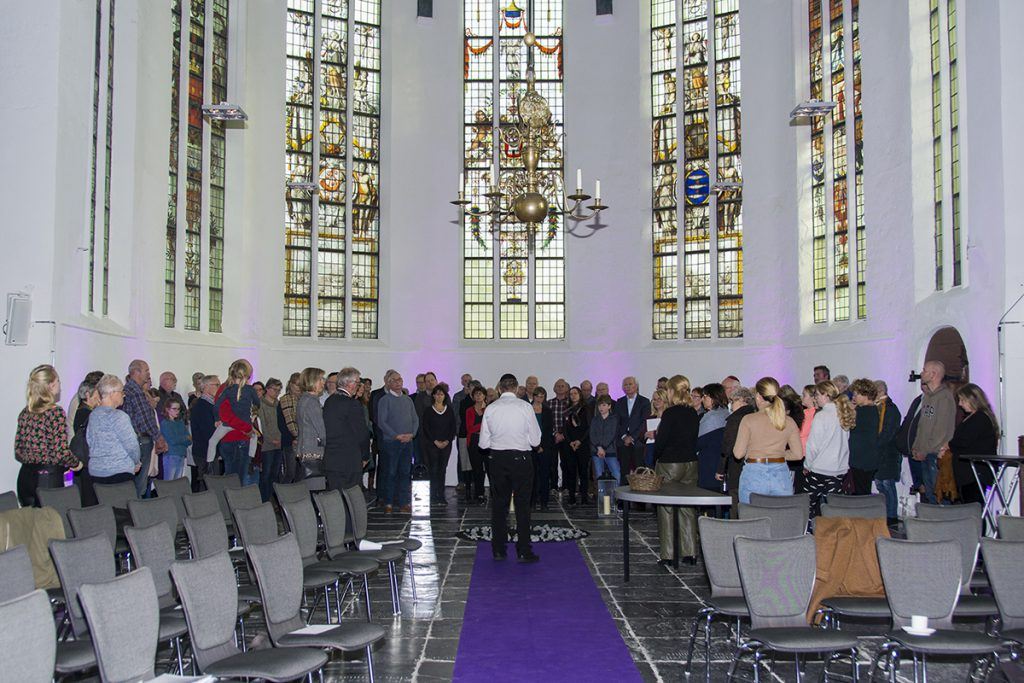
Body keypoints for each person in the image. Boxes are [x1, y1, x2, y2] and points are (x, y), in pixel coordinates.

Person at [479, 373, 542, 563]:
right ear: (516, 388)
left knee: (499, 505)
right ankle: (523, 550)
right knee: (523, 505)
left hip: (498, 459)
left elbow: (483, 444)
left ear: (499, 388)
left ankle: (498, 549)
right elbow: (535, 440)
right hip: (521, 459)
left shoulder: (491, 408)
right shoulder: (525, 407)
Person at [14, 365, 82, 506]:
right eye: (58, 381)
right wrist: (76, 463)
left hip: (25, 476)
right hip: (48, 479)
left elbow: (18, 451)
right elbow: (61, 451)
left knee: (30, 523)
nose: (60, 385)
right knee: (50, 523)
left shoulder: (25, 413)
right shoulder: (55, 413)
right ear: (51, 386)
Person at [652, 375, 701, 565]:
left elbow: (661, 441)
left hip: (671, 464)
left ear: (671, 391)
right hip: (691, 463)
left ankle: (668, 555)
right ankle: (690, 553)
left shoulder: (670, 413)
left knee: (666, 509)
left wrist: (655, 457)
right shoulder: (692, 413)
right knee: (687, 507)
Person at [733, 377, 802, 504]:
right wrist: (777, 454)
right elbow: (798, 454)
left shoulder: (748, 420)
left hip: (754, 473)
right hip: (781, 475)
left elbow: (738, 453)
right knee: (781, 518)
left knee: (751, 519)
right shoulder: (788, 421)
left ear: (758, 396)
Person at [801, 380, 855, 517]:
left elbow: (813, 445)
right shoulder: (843, 414)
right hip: (838, 470)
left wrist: (807, 465)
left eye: (817, 395)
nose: (815, 398)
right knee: (833, 508)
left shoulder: (821, 416)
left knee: (808, 505)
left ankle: (810, 532)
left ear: (826, 395)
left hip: (820, 470)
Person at [912, 360, 956, 504]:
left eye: (924, 370)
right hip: (925, 453)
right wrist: (917, 446)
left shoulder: (944, 397)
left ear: (933, 374)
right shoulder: (928, 397)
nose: (922, 373)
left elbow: (941, 430)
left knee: (939, 495)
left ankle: (944, 524)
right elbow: (922, 425)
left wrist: (926, 449)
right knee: (930, 493)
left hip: (935, 454)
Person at [121, 359, 167, 498]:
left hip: (137, 440)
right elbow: (144, 418)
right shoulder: (135, 391)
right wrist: (159, 438)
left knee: (140, 482)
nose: (149, 374)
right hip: (141, 440)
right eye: (146, 371)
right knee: (140, 483)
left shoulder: (132, 390)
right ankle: (138, 512)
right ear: (136, 372)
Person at [949, 383, 999, 506]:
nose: (960, 404)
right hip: (968, 473)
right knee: (969, 506)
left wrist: (950, 444)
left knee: (973, 507)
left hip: (975, 473)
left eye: (962, 400)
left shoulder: (980, 418)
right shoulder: (974, 418)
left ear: (972, 399)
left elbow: (963, 441)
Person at [323, 367, 372, 495]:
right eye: (357, 383)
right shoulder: (352, 404)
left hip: (332, 460)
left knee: (336, 499)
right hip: (349, 460)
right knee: (351, 500)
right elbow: (362, 433)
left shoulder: (329, 401)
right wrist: (365, 455)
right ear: (349, 384)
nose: (358, 386)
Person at [87, 374, 141, 485]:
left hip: (97, 473)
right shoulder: (119, 416)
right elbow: (132, 446)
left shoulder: (93, 415)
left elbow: (89, 440)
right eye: (121, 392)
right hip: (119, 472)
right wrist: (136, 462)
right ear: (112, 393)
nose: (123, 395)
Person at [377, 369, 418, 514]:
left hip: (408, 442)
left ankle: (404, 502)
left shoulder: (407, 399)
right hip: (392, 443)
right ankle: (388, 502)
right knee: (391, 472)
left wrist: (412, 434)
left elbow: (415, 419)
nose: (398, 382)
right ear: (388, 383)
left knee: (405, 472)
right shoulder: (385, 400)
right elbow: (382, 422)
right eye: (394, 380)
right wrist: (396, 436)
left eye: (400, 379)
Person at [217, 359, 259, 484]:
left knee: (238, 478)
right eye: (248, 376)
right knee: (235, 481)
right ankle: (233, 503)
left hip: (239, 437)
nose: (249, 379)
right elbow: (227, 416)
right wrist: (247, 428)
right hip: (234, 438)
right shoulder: (227, 390)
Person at [718, 387, 756, 517]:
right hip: (754, 466)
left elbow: (727, 447)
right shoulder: (756, 416)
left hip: (736, 466)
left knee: (736, 504)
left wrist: (721, 469)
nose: (730, 404)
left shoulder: (735, 419)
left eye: (733, 401)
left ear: (742, 400)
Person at [420, 384, 457, 506]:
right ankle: (432, 495)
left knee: (442, 470)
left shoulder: (449, 410)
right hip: (431, 444)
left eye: (441, 394)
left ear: (445, 396)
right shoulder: (428, 410)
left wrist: (447, 440)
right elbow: (426, 427)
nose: (439, 396)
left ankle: (441, 496)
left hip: (446, 445)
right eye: (437, 394)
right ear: (433, 396)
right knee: (433, 469)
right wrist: (435, 441)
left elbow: (452, 427)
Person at [873, 380, 903, 526]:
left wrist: (876, 444)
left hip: (888, 452)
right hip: (880, 452)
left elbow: (889, 432)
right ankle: (885, 512)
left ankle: (891, 515)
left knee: (887, 483)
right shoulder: (879, 408)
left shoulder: (890, 409)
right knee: (880, 483)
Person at [615, 376, 652, 485]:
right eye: (625, 384)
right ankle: (623, 501)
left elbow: (644, 422)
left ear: (636, 386)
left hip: (638, 442)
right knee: (624, 472)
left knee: (640, 471)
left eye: (630, 384)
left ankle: (639, 500)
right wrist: (624, 437)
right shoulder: (619, 402)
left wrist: (633, 437)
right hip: (623, 443)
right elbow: (617, 422)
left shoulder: (644, 401)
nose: (628, 386)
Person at [71, 378, 101, 506]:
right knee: (90, 497)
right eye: (96, 394)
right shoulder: (87, 414)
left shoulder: (81, 411)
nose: (99, 397)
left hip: (86, 461)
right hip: (88, 461)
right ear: (88, 395)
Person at [848, 379, 880, 494]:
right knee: (861, 490)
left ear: (865, 394)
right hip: (863, 459)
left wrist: (850, 409)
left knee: (860, 493)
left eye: (856, 394)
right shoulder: (870, 410)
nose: (854, 397)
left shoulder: (865, 411)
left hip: (862, 460)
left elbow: (849, 425)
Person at [296, 367, 327, 480]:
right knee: (315, 489)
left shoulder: (304, 399)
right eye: (320, 379)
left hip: (305, 449)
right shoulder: (312, 402)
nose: (323, 382)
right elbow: (322, 431)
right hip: (312, 451)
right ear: (312, 381)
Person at [696, 383, 729, 492]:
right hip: (721, 463)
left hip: (709, 464)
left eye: (705, 396)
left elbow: (699, 442)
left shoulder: (711, 417)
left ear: (713, 398)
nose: (702, 400)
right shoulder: (726, 413)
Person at [190, 374, 220, 490]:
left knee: (210, 483)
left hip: (209, 451)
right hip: (205, 452)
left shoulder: (211, 405)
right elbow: (209, 431)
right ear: (206, 387)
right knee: (209, 485)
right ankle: (206, 507)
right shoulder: (202, 406)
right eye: (216, 384)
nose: (219, 387)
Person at [256, 378, 284, 502]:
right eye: (274, 389)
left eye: (278, 390)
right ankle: (263, 500)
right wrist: (270, 439)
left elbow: (282, 424)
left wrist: (281, 439)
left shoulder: (279, 405)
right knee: (266, 474)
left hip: (279, 443)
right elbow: (262, 425)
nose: (276, 392)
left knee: (275, 474)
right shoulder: (260, 404)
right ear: (267, 389)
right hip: (267, 445)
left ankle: (271, 499)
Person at [565, 386, 591, 505]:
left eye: (575, 393)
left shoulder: (586, 408)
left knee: (583, 472)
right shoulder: (567, 410)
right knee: (571, 472)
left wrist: (580, 441)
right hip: (570, 445)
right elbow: (565, 429)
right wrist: (570, 441)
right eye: (571, 394)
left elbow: (588, 427)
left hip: (583, 444)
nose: (573, 395)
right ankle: (571, 497)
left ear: (580, 395)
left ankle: (584, 497)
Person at [530, 386, 555, 510]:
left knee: (545, 475)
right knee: (532, 475)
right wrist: (535, 446)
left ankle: (544, 502)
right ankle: (533, 501)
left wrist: (542, 446)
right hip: (530, 448)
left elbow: (548, 430)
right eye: (538, 396)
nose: (540, 398)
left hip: (545, 447)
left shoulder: (547, 410)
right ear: (533, 396)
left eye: (542, 396)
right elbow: (526, 430)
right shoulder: (527, 409)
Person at [589, 395, 621, 485]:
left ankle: (616, 496)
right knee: (599, 474)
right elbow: (592, 434)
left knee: (616, 473)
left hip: (610, 450)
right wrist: (599, 447)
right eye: (599, 405)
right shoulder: (595, 419)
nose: (601, 408)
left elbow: (612, 434)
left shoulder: (614, 419)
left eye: (603, 405)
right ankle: (602, 496)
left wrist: (603, 447)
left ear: (609, 406)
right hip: (596, 451)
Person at [547, 378, 571, 496]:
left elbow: (571, 423)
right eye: (558, 386)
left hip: (567, 438)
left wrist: (563, 434)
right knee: (552, 462)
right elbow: (547, 422)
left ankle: (566, 486)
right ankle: (553, 487)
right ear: (554, 389)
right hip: (553, 437)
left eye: (562, 386)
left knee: (566, 462)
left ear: (567, 388)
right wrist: (555, 433)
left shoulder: (571, 403)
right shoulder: (549, 403)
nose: (560, 388)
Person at [277, 372, 302, 484]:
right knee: (289, 472)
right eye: (296, 384)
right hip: (289, 440)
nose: (298, 387)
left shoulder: (302, 399)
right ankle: (282, 496)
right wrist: (296, 436)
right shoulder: (285, 399)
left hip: (300, 440)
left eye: (300, 385)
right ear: (290, 384)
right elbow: (288, 422)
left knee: (298, 473)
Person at [465, 385, 488, 504]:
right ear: (473, 397)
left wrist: (481, 427)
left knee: (490, 468)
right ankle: (479, 493)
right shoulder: (469, 410)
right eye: (476, 394)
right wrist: (484, 423)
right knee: (477, 469)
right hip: (473, 442)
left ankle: (495, 493)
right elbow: (470, 428)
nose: (478, 396)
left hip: (488, 442)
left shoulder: (489, 409)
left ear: (484, 395)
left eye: (480, 393)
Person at [159, 396, 190, 481]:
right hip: (171, 455)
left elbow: (189, 440)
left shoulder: (180, 422)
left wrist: (183, 438)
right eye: (174, 409)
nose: (177, 411)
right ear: (167, 409)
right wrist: (184, 438)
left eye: (178, 409)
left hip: (181, 454)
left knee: (177, 482)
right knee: (169, 482)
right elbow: (172, 440)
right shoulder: (165, 423)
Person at [644, 388, 668, 468]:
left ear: (665, 400)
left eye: (659, 399)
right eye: (654, 399)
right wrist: (646, 434)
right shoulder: (650, 416)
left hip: (664, 449)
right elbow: (641, 435)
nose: (656, 401)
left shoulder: (669, 416)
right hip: (650, 448)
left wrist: (655, 434)